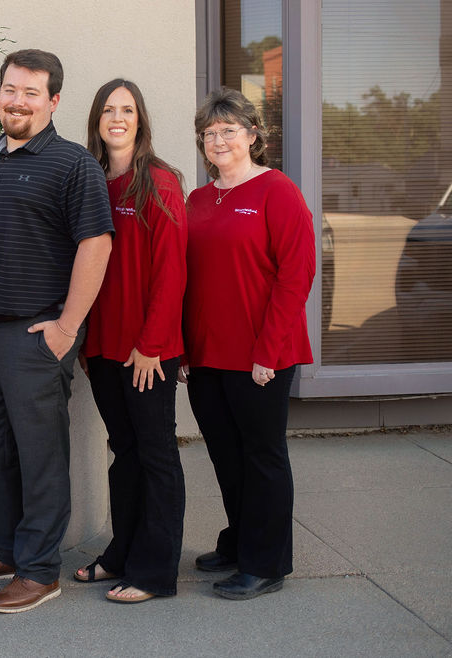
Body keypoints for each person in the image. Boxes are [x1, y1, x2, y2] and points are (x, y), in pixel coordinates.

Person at [0, 49, 114, 613]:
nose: (17, 101)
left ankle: (41, 570)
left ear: (54, 101)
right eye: (10, 89)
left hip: (34, 337)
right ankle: (5, 550)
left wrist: (67, 327)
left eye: (30, 92)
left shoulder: (73, 165)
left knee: (40, 456)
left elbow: (97, 244)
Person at [182, 87, 314, 600]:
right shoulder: (198, 199)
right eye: (210, 133)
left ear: (253, 135)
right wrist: (186, 350)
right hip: (208, 354)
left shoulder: (276, 191)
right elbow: (188, 278)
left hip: (260, 355)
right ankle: (238, 542)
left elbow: (296, 274)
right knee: (225, 456)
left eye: (229, 130)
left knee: (262, 456)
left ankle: (267, 562)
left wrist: (269, 351)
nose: (218, 140)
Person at [74, 79, 188, 604]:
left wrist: (154, 344)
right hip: (103, 349)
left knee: (156, 454)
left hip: (147, 352)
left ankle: (155, 571)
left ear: (140, 119)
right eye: (108, 110)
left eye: (127, 109)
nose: (117, 118)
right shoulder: (93, 182)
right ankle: (122, 552)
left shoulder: (160, 184)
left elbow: (171, 273)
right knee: (124, 452)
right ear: (97, 119)